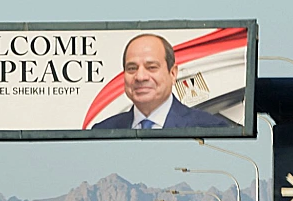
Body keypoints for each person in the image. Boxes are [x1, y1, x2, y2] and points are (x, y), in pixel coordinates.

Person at [92, 34, 228, 130]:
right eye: (132, 68)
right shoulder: (103, 131)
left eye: (151, 67)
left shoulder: (209, 128)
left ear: (173, 73)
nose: (140, 77)